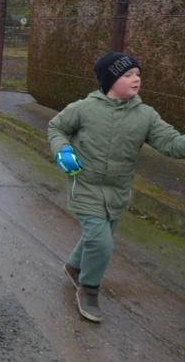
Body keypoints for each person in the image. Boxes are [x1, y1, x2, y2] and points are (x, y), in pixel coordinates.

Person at [48, 52, 185, 323]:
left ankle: (74, 267)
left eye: (138, 74)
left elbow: (171, 143)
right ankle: (88, 289)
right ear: (110, 80)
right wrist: (62, 149)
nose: (136, 79)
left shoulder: (146, 115)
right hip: (85, 183)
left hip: (118, 190)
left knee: (99, 235)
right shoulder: (84, 108)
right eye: (128, 75)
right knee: (101, 241)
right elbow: (56, 127)